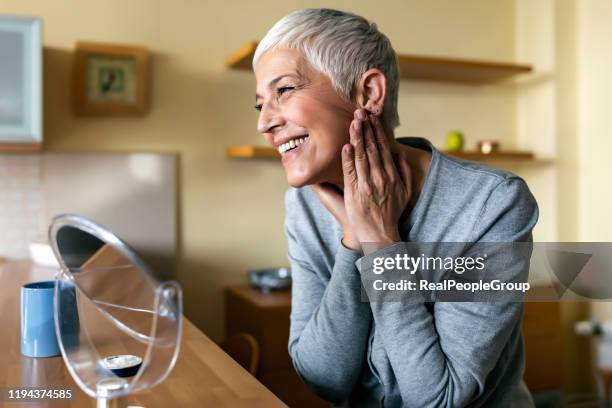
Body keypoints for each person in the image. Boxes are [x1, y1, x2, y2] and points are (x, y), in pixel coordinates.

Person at [253, 8, 538, 407]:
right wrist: (353, 240)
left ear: (368, 93)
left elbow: (439, 398)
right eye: (259, 103)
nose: (264, 123)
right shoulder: (304, 203)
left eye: (283, 90)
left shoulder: (493, 205)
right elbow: (323, 379)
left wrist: (380, 241)